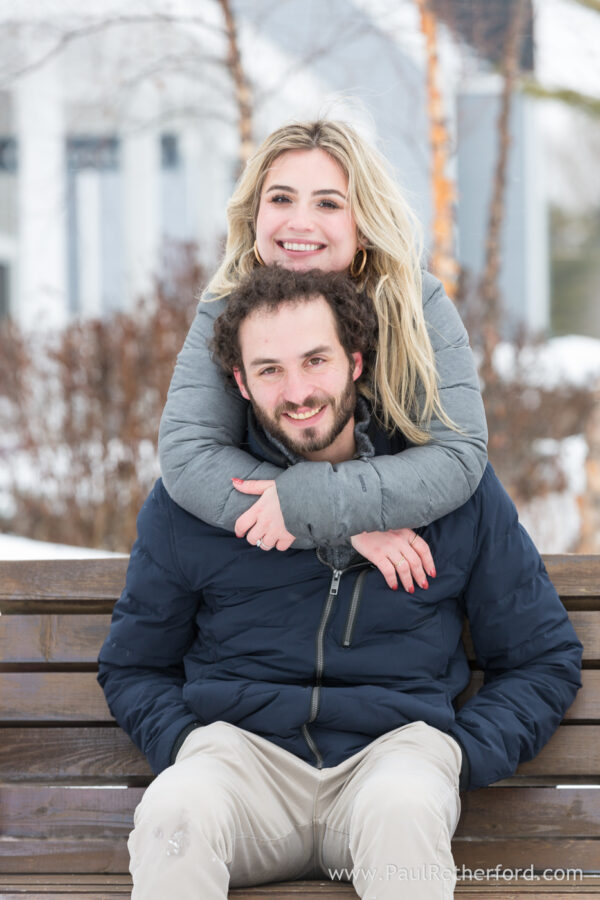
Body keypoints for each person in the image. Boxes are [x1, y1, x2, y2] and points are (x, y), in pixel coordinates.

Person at [98, 266, 582, 900]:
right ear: (240, 383)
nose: (298, 391)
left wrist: (456, 755)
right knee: (173, 815)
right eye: (269, 370)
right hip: (244, 764)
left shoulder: (452, 495)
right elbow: (134, 666)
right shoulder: (192, 505)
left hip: (389, 764)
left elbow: (542, 660)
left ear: (356, 361)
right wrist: (189, 742)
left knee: (404, 808)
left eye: (316, 360)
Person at [158, 119, 488, 588]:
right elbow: (190, 457)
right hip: (271, 589)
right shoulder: (227, 304)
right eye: (280, 199)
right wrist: (342, 525)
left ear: (364, 226)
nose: (299, 222)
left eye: (328, 203)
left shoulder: (416, 303)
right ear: (254, 215)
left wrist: (319, 506)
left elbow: (456, 455)